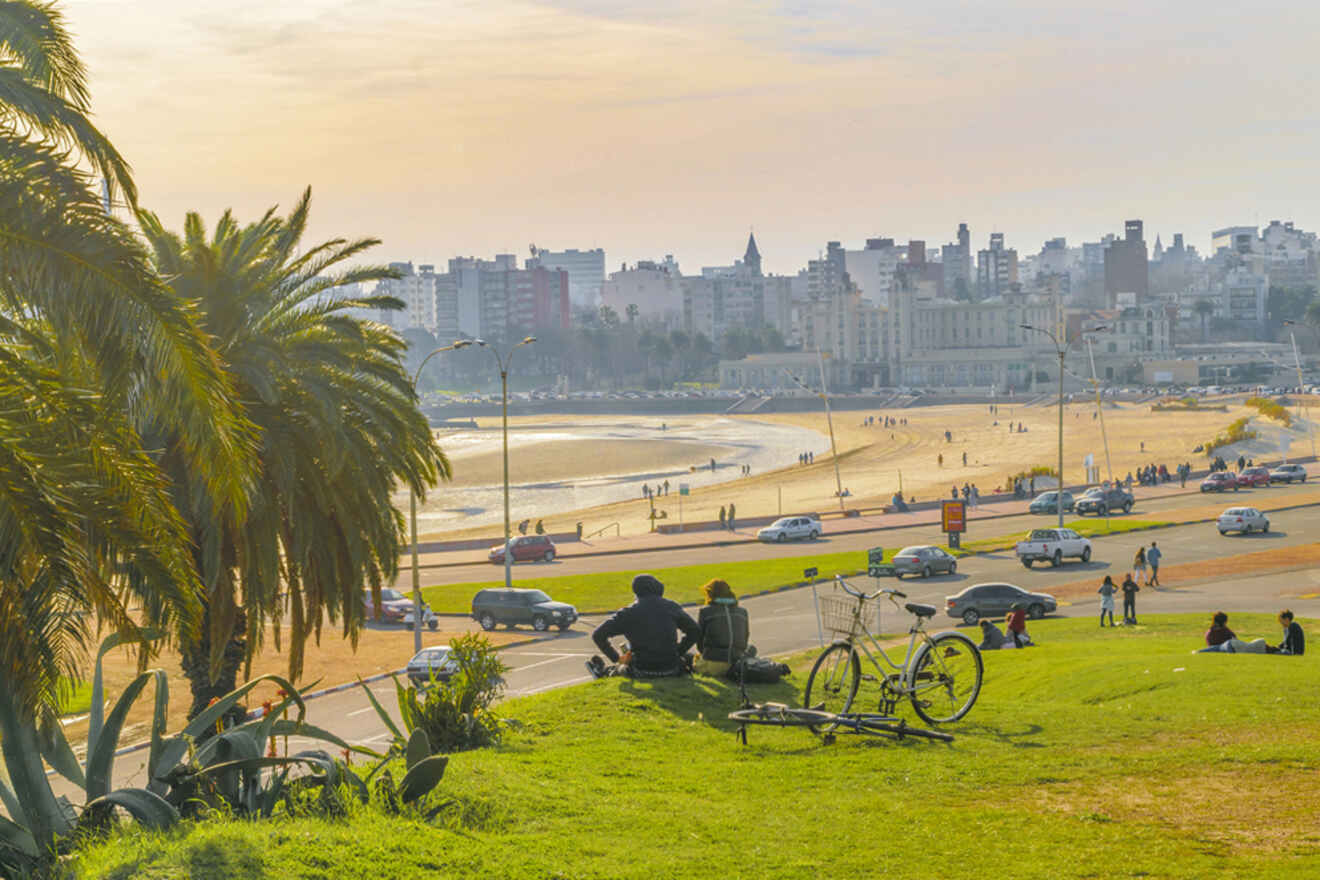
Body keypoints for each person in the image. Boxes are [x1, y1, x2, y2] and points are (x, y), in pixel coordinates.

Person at [587, 574, 700, 678]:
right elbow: (694, 630)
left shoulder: (628, 613)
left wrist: (616, 658)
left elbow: (598, 635)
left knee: (622, 667)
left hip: (641, 669)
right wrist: (678, 651)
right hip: (672, 668)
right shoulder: (671, 607)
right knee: (689, 655)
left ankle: (605, 672)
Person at [694, 579, 748, 677]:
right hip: (737, 664)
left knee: (690, 658)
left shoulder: (706, 612)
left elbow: (699, 643)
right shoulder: (742, 612)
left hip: (713, 664)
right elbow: (745, 638)